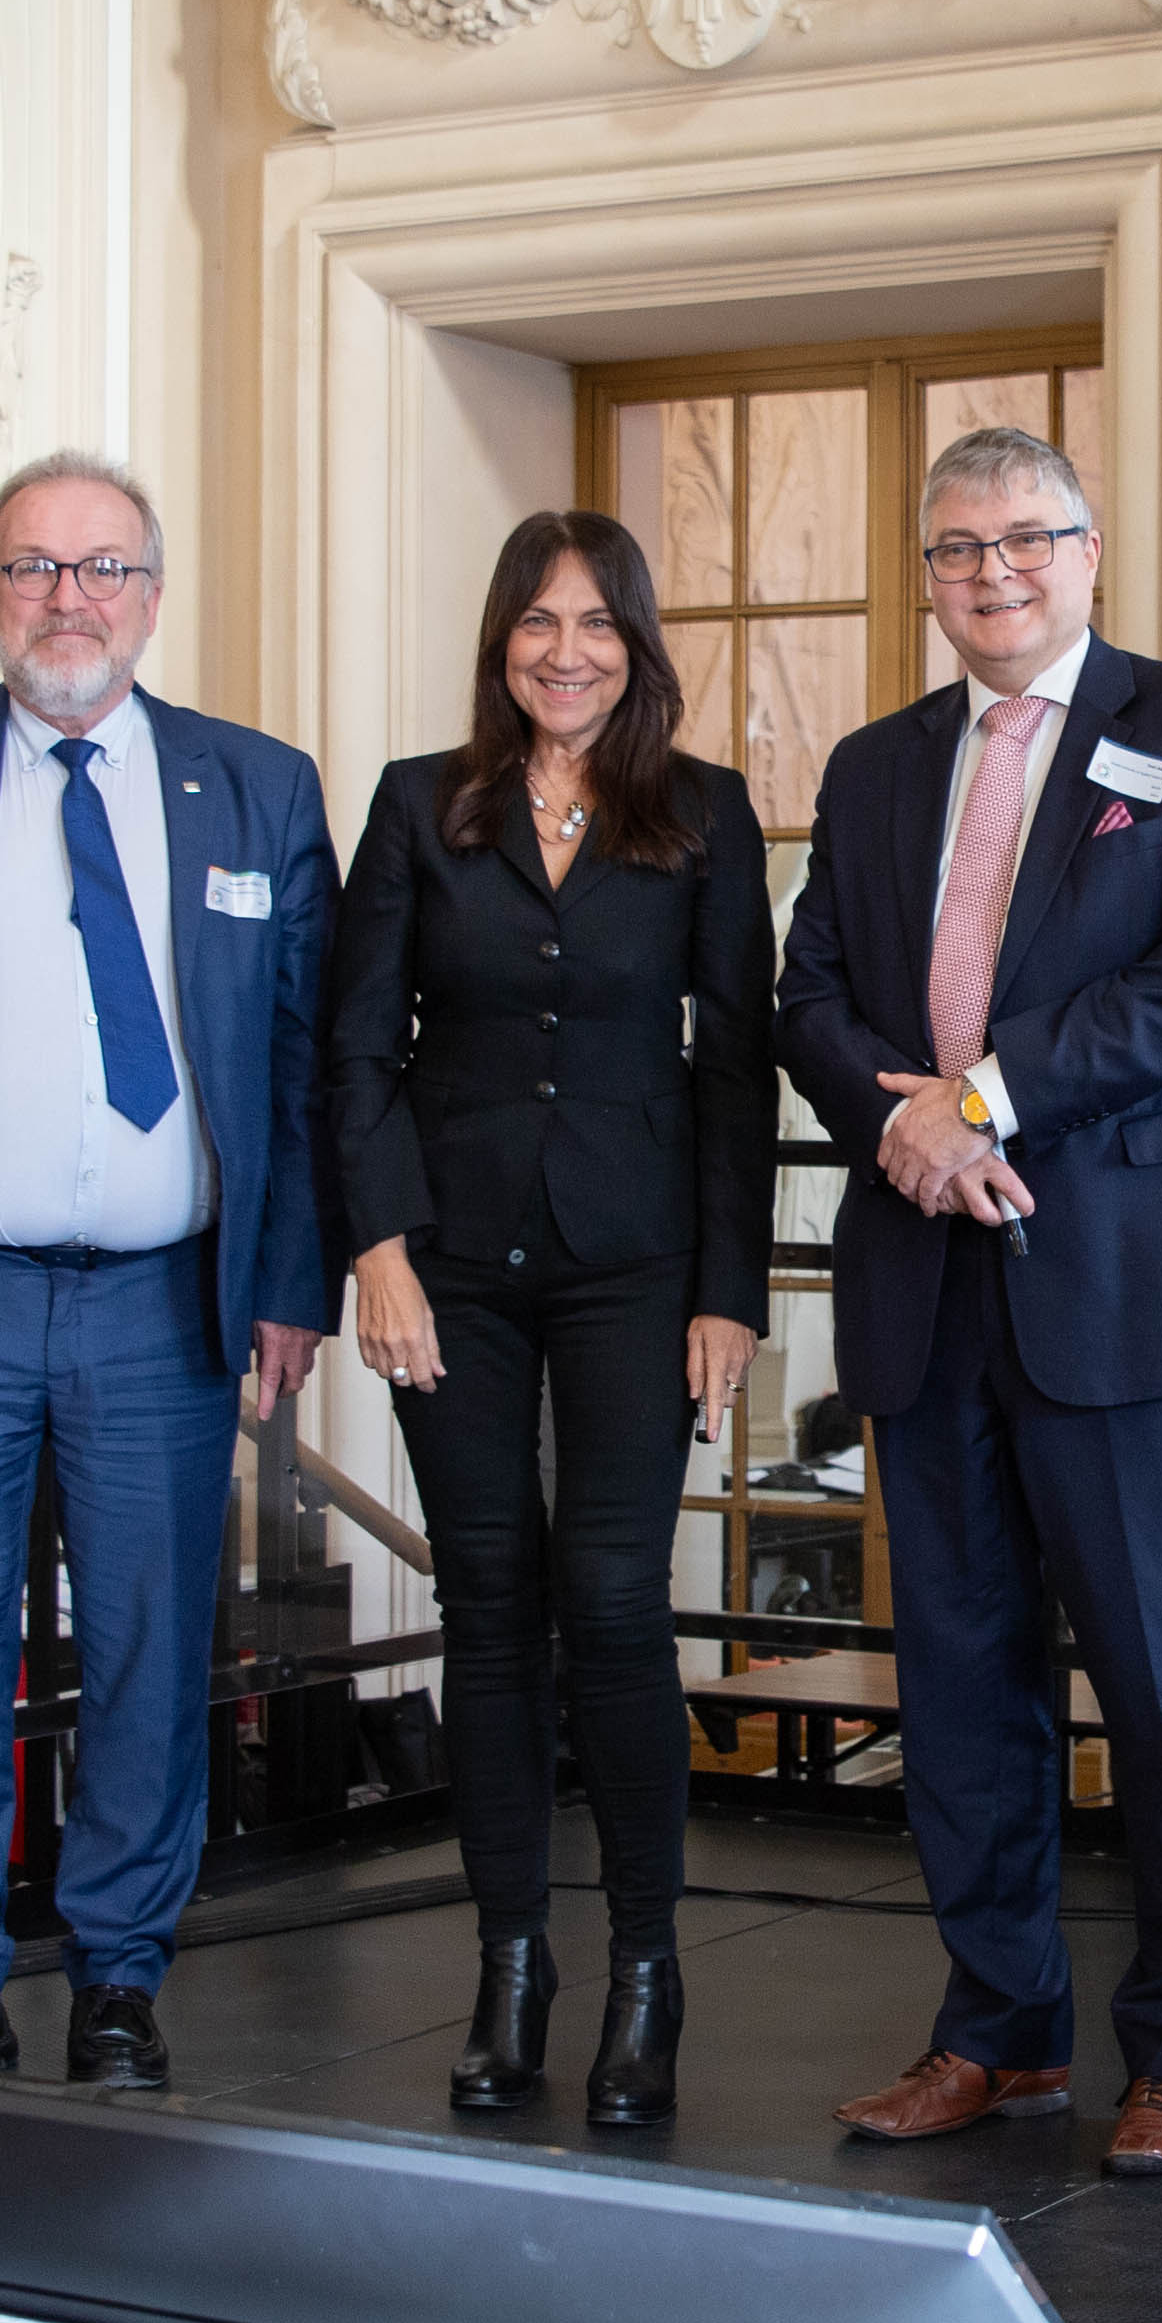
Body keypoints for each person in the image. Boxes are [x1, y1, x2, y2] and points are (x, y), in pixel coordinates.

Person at [773, 425, 1162, 2180]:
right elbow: (808, 994)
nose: (991, 572)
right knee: (962, 1687)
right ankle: (996, 2033)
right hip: (927, 1285)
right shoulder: (873, 766)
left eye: (1024, 539)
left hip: (1131, 1294)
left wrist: (978, 1104)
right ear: (926, 575)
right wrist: (904, 1126)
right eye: (956, 548)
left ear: (1087, 550)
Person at [0, 453, 335, 2089]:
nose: (67, 599)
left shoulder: (257, 789)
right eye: (33, 567)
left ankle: (118, 1975)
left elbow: (299, 1066)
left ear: (151, 596)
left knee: (154, 1651)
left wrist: (289, 1282)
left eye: (102, 569)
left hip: (167, 1302)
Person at [325, 512, 772, 2128]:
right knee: (490, 1606)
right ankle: (509, 1965)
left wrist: (731, 1292)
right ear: (500, 640)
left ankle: (646, 1970)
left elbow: (734, 1065)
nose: (564, 652)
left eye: (595, 624)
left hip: (638, 1262)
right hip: (447, 1259)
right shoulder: (416, 804)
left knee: (614, 1602)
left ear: (636, 647)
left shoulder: (703, 813)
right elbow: (356, 1045)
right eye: (537, 622)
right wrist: (375, 1248)